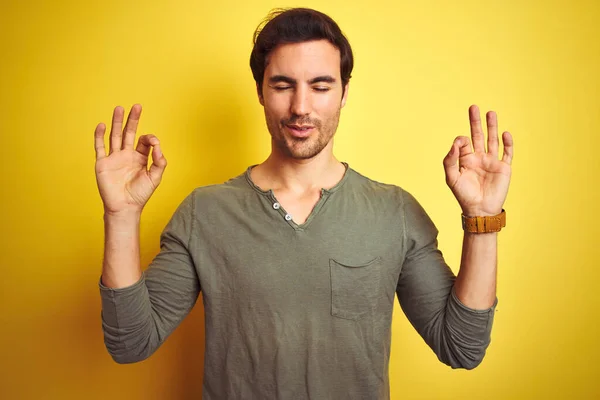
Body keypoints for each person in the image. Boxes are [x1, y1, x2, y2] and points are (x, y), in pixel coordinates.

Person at [95, 7, 514, 400]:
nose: (301, 107)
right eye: (282, 85)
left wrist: (482, 219)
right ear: (260, 91)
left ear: (344, 93)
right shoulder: (204, 212)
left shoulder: (395, 213)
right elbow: (131, 342)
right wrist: (121, 215)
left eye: (320, 85)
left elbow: (462, 348)